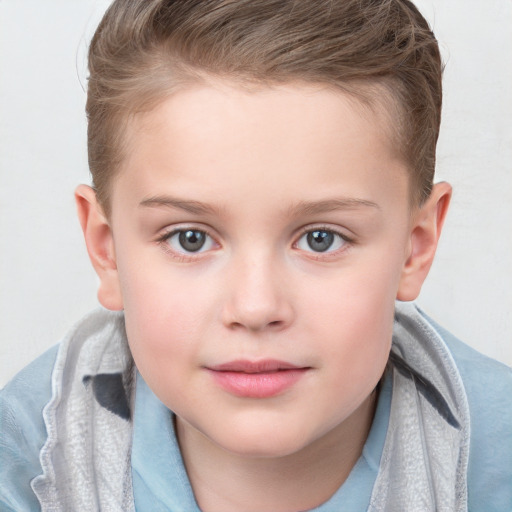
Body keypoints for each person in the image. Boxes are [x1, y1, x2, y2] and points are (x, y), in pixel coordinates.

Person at [1, 0, 511, 510]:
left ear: (414, 247)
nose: (255, 307)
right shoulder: (23, 461)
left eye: (321, 238)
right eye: (190, 238)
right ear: (106, 249)